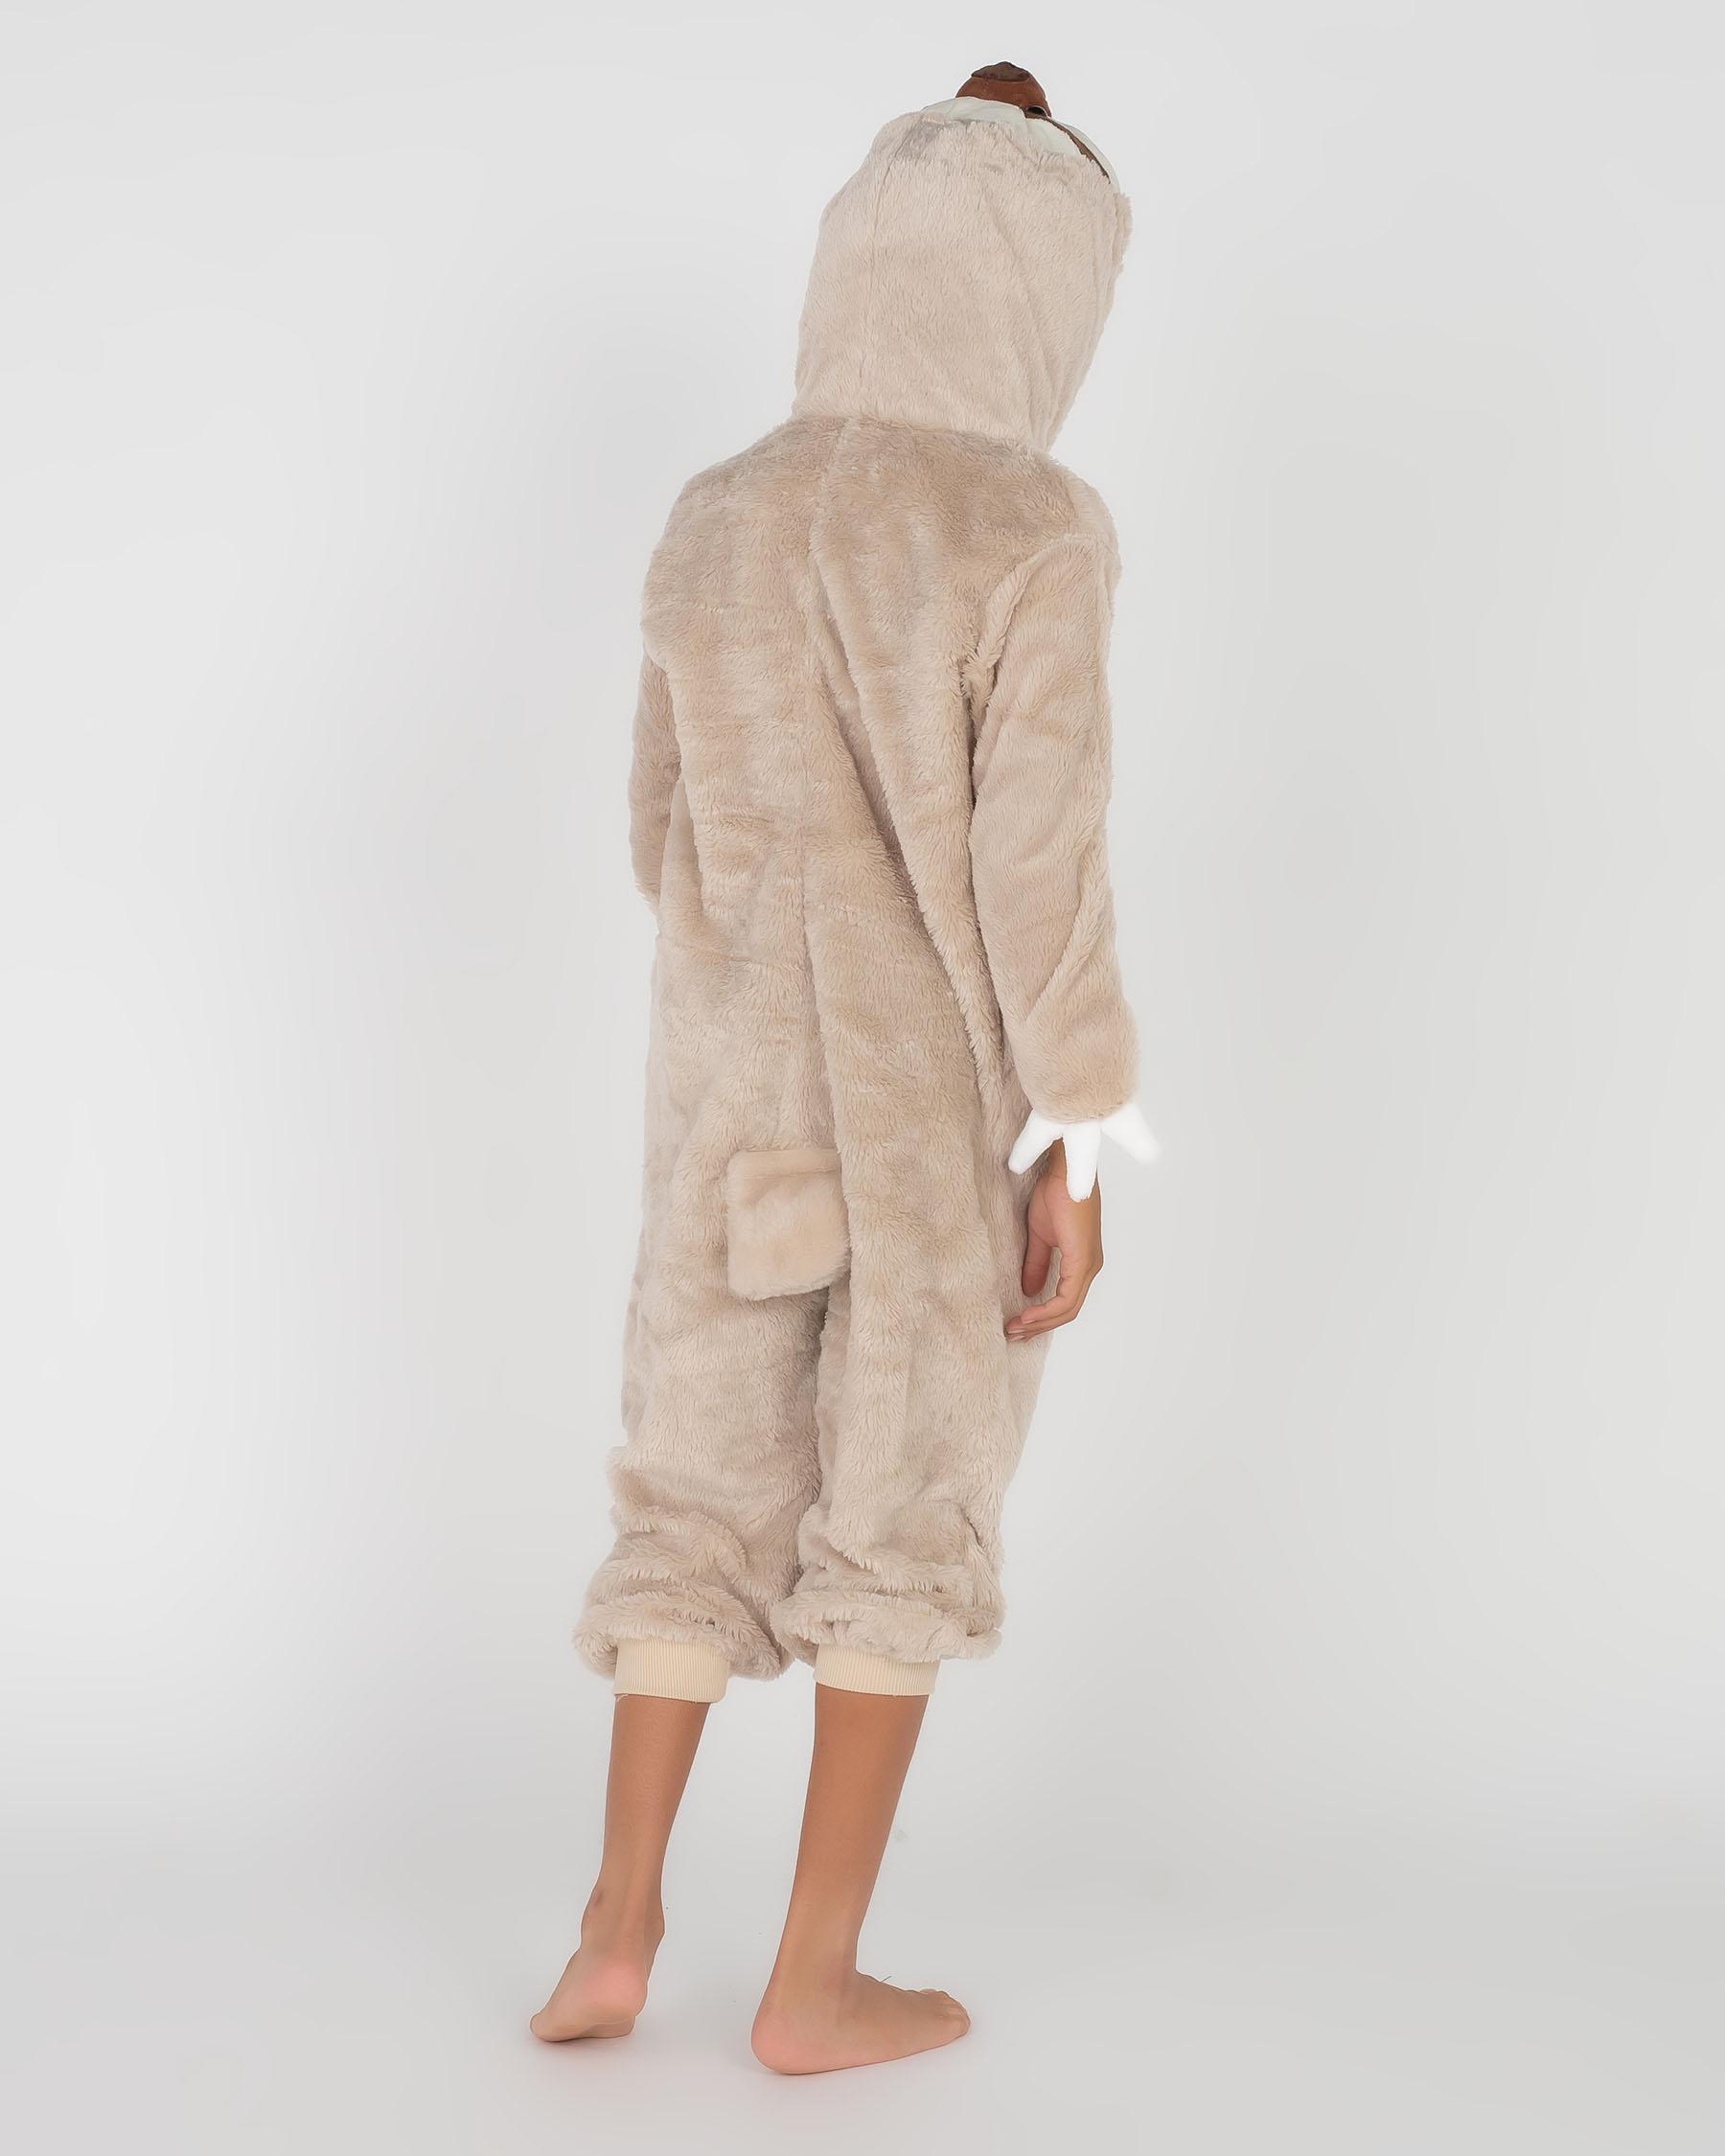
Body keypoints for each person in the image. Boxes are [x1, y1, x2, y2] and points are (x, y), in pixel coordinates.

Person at [534, 63, 1155, 2075]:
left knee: (694, 1474)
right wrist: (1076, 1130)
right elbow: (1039, 863)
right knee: (907, 1491)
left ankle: (615, 1927)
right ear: (1046, 291)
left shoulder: (715, 511)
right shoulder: (1031, 525)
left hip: (724, 1097)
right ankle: (812, 1977)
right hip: (917, 1116)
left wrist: (760, 969)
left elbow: (658, 832)